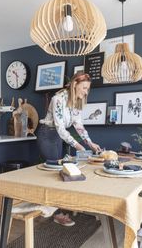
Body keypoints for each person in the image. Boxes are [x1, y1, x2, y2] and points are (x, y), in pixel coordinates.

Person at [37, 72, 102, 226]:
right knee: (54, 173)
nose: (86, 92)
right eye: (84, 88)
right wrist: (79, 146)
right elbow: (61, 129)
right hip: (47, 134)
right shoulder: (58, 99)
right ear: (75, 85)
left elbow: (78, 125)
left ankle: (54, 209)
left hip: (58, 137)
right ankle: (55, 213)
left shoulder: (77, 102)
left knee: (60, 173)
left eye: (88, 89)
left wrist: (90, 143)